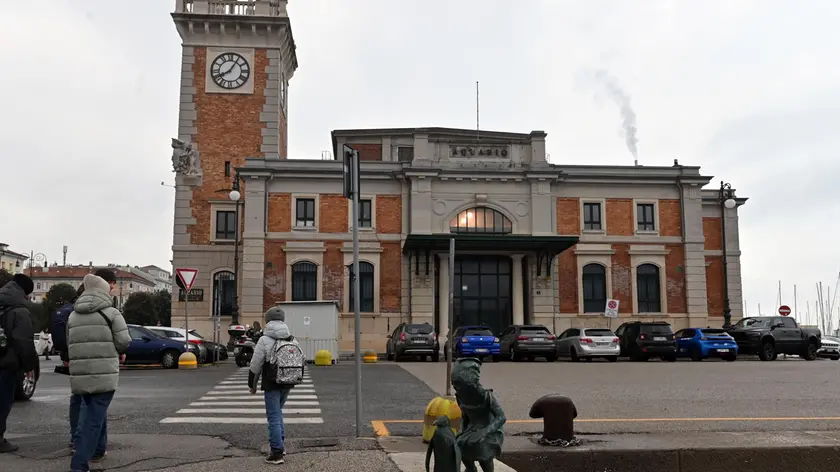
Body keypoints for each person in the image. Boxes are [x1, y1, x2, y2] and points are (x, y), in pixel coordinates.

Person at [67, 272, 131, 472]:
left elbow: (69, 343)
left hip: (80, 373)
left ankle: (98, 451)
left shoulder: (73, 315)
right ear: (104, 291)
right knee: (93, 418)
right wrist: (118, 351)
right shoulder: (111, 313)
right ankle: (79, 464)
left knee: (95, 411)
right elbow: (124, 341)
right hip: (104, 373)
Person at [248, 307, 299, 464]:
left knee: (273, 417)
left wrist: (252, 385)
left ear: (267, 320)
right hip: (288, 381)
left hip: (271, 382)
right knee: (278, 414)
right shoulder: (292, 338)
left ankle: (276, 452)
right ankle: (280, 446)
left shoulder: (264, 340)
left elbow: (255, 365)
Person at [0, 274, 38, 453]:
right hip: (6, 363)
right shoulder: (19, 311)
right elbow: (23, 340)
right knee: (3, 400)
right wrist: (29, 365)